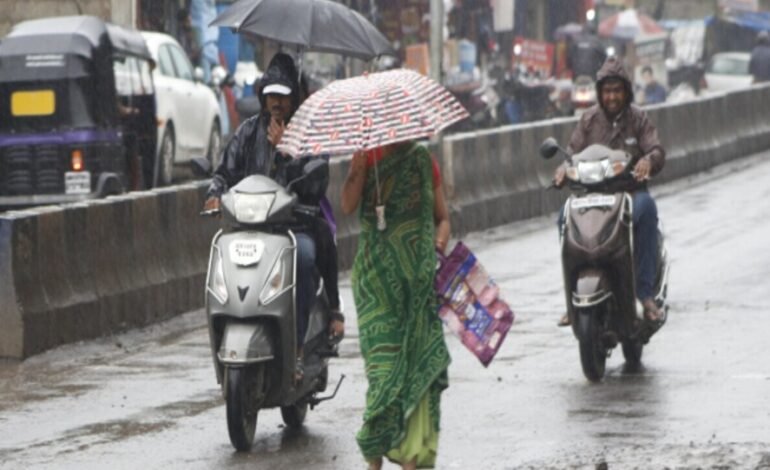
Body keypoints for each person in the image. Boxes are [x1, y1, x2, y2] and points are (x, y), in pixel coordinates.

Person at [202, 53, 344, 380]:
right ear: (263, 97)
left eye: (283, 95)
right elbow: (225, 172)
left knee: (304, 258)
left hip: (295, 226)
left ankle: (298, 345)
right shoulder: (247, 132)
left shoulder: (309, 133)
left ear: (294, 97)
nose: (277, 103)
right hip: (250, 227)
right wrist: (214, 192)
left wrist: (287, 153)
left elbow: (316, 182)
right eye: (271, 95)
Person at [341, 142, 451, 470]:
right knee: (383, 375)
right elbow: (347, 205)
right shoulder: (365, 158)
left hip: (418, 288)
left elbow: (443, 219)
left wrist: (436, 246)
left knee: (417, 374)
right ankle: (374, 460)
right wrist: (357, 171)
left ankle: (410, 460)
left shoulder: (422, 161)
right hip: (375, 287)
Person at [554, 56, 665, 326]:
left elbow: (656, 149)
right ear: (600, 92)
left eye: (617, 91)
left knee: (647, 210)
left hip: (629, 194)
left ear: (625, 91)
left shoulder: (638, 118)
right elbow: (571, 154)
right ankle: (571, 299)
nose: (612, 97)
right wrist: (562, 170)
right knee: (563, 217)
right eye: (607, 91)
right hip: (591, 196)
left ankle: (645, 294)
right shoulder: (588, 120)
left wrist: (648, 161)